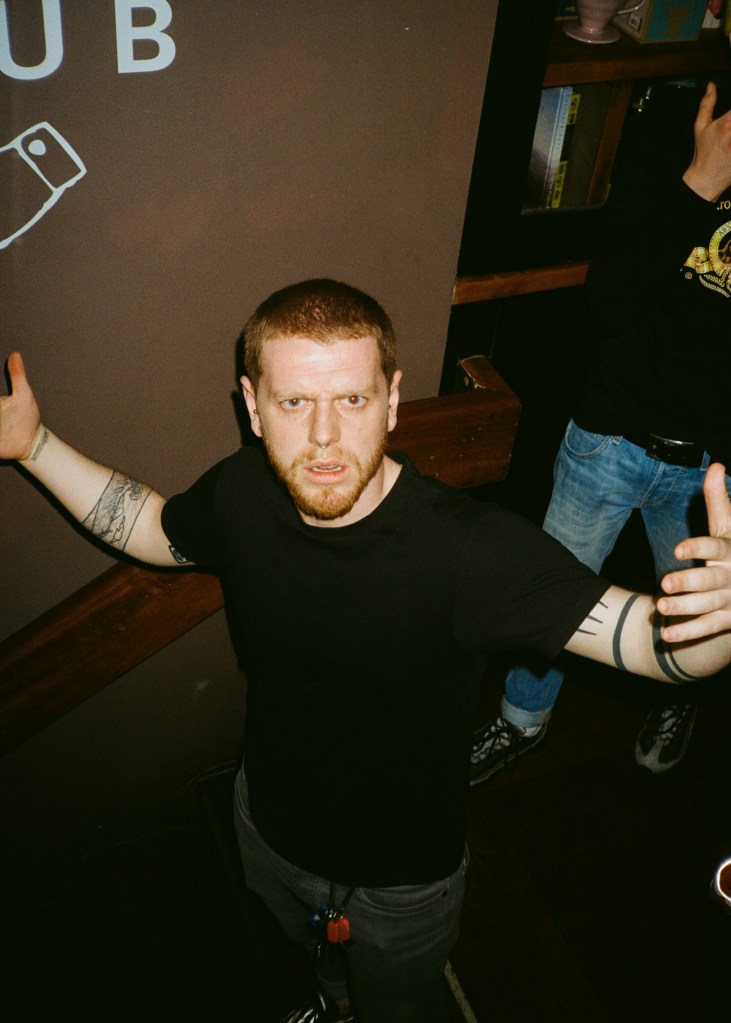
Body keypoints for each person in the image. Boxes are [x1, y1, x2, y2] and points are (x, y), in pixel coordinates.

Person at [3, 279, 731, 1023]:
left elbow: (650, 646)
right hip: (266, 822)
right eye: (294, 402)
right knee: (317, 960)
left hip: (398, 883)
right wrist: (35, 446)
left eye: (351, 399)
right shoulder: (242, 492)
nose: (324, 435)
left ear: (391, 401)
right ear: (253, 406)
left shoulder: (469, 551)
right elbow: (154, 529)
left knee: (397, 1006)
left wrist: (717, 624)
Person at [470, 78, 731, 787]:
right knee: (548, 594)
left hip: (712, 463)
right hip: (610, 434)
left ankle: (680, 696)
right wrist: (699, 185)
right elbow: (609, 301)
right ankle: (521, 719)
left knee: (698, 613)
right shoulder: (671, 121)